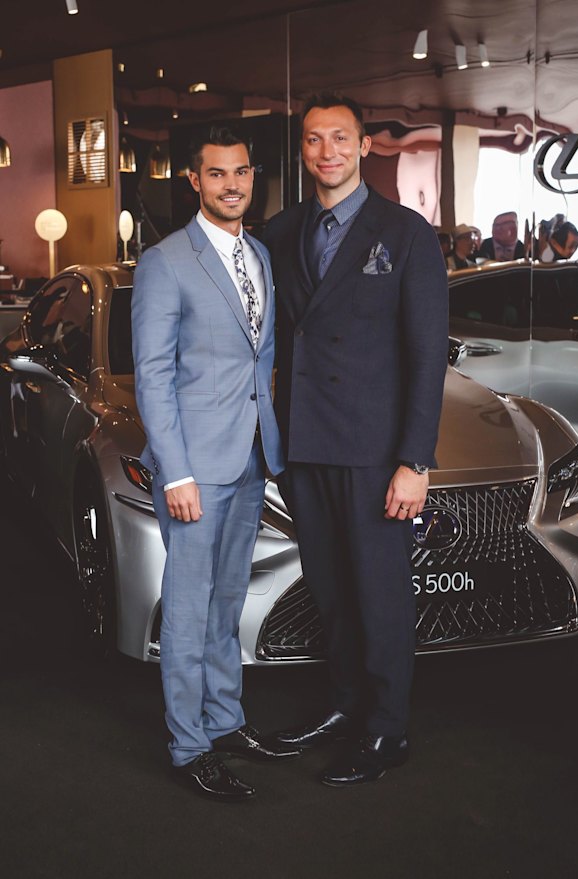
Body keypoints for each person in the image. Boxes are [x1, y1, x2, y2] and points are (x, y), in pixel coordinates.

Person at [264, 94, 448, 786]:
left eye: (340, 138)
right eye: (314, 140)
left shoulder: (404, 232)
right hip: (305, 445)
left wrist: (415, 459)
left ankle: (388, 729)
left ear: (364, 145)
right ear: (304, 150)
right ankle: (345, 706)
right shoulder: (283, 231)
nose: (328, 151)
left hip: (374, 451)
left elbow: (428, 353)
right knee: (332, 592)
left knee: (380, 593)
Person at [132, 126, 298, 803]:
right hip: (194, 467)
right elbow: (152, 374)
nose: (232, 184)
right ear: (194, 181)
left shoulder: (258, 253)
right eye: (217, 174)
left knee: (228, 603)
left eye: (242, 173)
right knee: (189, 610)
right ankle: (188, 744)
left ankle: (226, 720)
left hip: (253, 454)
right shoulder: (166, 262)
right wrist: (175, 472)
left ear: (252, 177)